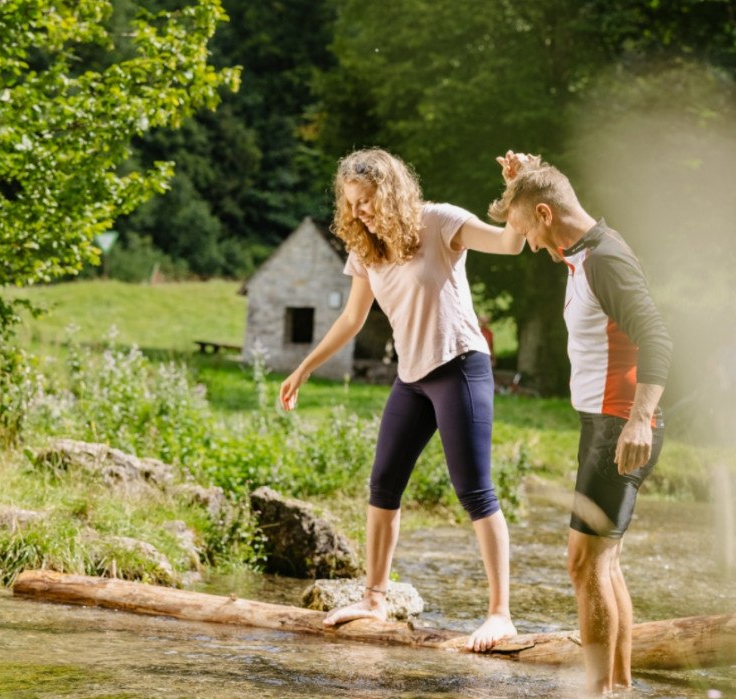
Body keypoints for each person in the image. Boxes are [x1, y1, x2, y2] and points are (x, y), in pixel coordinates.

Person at [278, 148, 526, 652]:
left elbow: (510, 243)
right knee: (383, 485)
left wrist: (518, 189)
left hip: (459, 366)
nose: (359, 212)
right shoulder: (366, 248)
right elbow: (352, 319)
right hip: (412, 376)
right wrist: (304, 367)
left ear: (389, 191)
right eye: (351, 204)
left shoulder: (440, 222)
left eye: (366, 201)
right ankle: (374, 597)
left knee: (475, 490)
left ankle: (500, 614)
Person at [488, 154, 672, 694]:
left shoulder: (605, 259)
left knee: (582, 565)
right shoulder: (587, 249)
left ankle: (597, 692)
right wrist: (519, 181)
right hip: (605, 424)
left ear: (546, 214)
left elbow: (658, 337)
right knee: (604, 564)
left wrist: (639, 420)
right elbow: (543, 195)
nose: (533, 246)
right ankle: (617, 688)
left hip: (621, 426)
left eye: (528, 230)